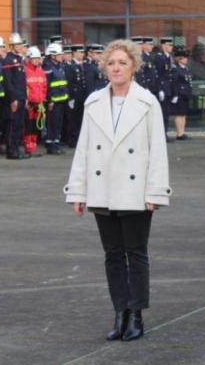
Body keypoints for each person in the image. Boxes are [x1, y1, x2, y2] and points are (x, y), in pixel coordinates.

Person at [64, 39, 171, 342]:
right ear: (104, 67)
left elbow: (157, 151)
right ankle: (119, 311)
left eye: (122, 62)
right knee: (112, 255)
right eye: (111, 63)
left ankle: (136, 313)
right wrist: (78, 192)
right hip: (102, 189)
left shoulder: (148, 102)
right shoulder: (94, 101)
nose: (116, 68)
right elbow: (84, 149)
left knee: (135, 254)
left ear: (133, 66)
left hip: (136, 192)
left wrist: (155, 192)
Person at [2, 33, 28, 159]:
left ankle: (16, 148)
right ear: (12, 45)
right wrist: (13, 98)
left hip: (21, 96)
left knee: (19, 124)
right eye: (18, 44)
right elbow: (7, 81)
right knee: (13, 125)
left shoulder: (18, 59)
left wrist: (25, 97)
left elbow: (22, 80)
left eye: (20, 44)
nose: (20, 46)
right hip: (14, 98)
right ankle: (11, 150)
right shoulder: (8, 59)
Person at [43, 43, 68, 155]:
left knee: (58, 123)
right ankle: (51, 145)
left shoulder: (59, 66)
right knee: (52, 123)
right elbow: (46, 85)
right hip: (53, 101)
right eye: (59, 54)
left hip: (61, 100)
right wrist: (50, 100)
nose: (61, 56)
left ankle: (56, 143)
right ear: (52, 56)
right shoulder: (48, 67)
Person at [24, 46, 47, 157]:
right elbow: (24, 88)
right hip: (29, 104)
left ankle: (33, 145)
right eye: (35, 58)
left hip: (39, 103)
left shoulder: (41, 72)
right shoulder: (25, 71)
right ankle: (28, 146)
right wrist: (27, 101)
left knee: (36, 126)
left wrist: (42, 100)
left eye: (38, 58)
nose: (37, 60)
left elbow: (44, 87)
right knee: (28, 126)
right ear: (29, 58)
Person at [153, 37, 176, 141]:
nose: (171, 47)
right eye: (169, 45)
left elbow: (169, 75)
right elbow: (158, 75)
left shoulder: (168, 57)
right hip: (163, 89)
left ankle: (164, 133)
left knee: (166, 113)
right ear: (163, 46)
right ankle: (162, 135)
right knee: (162, 114)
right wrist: (160, 89)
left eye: (171, 45)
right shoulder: (159, 57)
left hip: (168, 89)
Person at [64, 44, 87, 147]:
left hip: (81, 97)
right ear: (74, 53)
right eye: (80, 52)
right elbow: (69, 83)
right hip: (74, 96)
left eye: (82, 52)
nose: (82, 54)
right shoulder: (70, 66)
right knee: (73, 120)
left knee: (79, 119)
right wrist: (71, 98)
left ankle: (77, 138)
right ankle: (72, 140)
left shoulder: (80, 65)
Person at [171, 46, 192, 140]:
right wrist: (175, 94)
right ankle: (179, 133)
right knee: (178, 114)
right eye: (184, 57)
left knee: (183, 114)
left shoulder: (185, 69)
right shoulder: (176, 69)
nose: (186, 59)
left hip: (185, 94)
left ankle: (182, 132)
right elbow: (175, 82)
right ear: (179, 59)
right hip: (179, 94)